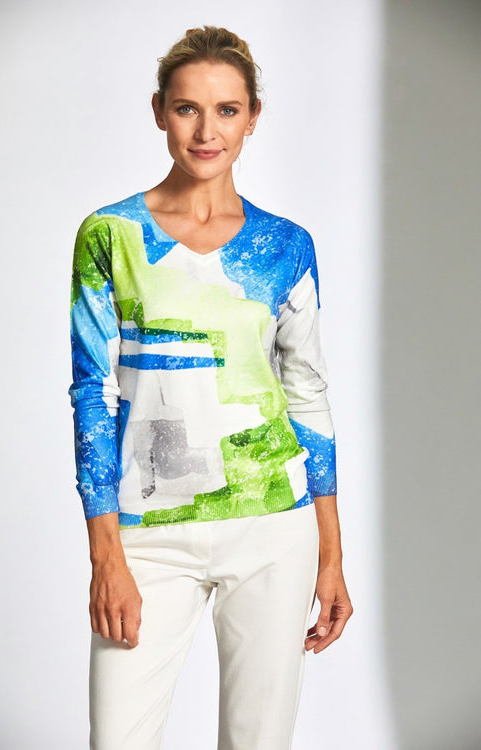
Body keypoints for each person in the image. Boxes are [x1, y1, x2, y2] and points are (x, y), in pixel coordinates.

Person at [69, 25, 353, 750]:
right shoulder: (110, 235)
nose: (207, 131)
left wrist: (331, 553)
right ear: (159, 111)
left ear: (252, 116)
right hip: (147, 532)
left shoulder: (285, 246)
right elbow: (92, 393)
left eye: (227, 110)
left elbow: (308, 395)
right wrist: (106, 554)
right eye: (188, 108)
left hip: (273, 527)